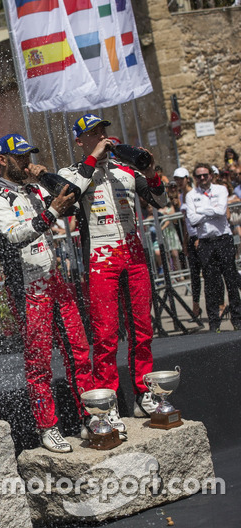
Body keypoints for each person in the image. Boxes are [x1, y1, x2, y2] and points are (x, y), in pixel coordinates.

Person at [0, 134, 94, 453]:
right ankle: (47, 426)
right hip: (28, 289)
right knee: (39, 361)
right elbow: (16, 235)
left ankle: (90, 417)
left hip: (55, 280)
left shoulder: (36, 189)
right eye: (20, 157)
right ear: (3, 160)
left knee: (78, 348)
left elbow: (69, 197)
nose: (26, 161)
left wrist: (44, 176)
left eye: (28, 155)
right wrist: (51, 213)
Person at [57, 114, 163, 432]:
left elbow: (161, 200)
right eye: (94, 133)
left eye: (103, 130)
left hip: (134, 256)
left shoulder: (125, 170)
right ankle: (108, 403)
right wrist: (94, 157)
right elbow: (69, 194)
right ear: (80, 140)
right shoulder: (73, 172)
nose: (102, 135)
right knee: (105, 336)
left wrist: (151, 172)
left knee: (142, 329)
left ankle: (144, 394)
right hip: (101, 259)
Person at [184, 163, 241, 332]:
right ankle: (214, 322)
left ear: (211, 175)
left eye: (205, 175)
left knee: (230, 280)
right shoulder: (191, 195)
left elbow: (222, 210)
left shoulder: (221, 189)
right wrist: (210, 211)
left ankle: (237, 320)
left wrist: (202, 211)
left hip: (223, 239)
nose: (203, 178)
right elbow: (192, 219)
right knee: (210, 284)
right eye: (199, 176)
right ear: (195, 178)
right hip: (205, 242)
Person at [174, 166, 203, 316]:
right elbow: (186, 222)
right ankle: (196, 307)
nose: (178, 182)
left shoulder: (194, 194)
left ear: (187, 178)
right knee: (194, 274)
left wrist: (198, 237)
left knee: (210, 273)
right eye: (176, 179)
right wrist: (185, 242)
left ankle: (221, 304)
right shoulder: (181, 197)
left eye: (180, 179)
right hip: (191, 238)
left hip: (201, 237)